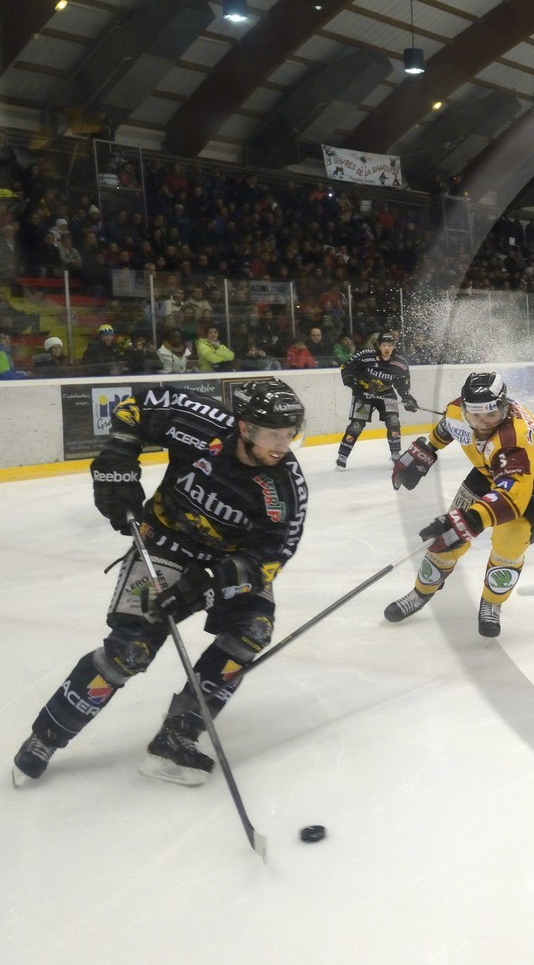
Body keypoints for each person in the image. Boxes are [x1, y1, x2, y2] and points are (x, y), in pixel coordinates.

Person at [11, 379, 309, 785]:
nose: (282, 444)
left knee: (252, 631)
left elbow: (271, 558)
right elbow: (137, 406)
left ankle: (179, 734)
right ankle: (48, 733)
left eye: (290, 434)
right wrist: (118, 455)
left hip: (224, 563)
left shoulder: (284, 488)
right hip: (163, 544)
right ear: (244, 427)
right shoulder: (198, 420)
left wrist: (209, 584)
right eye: (273, 434)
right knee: (129, 650)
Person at [386, 371, 534, 638]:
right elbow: (447, 426)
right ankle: (422, 591)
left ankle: (491, 602)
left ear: (505, 406)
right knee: (448, 535)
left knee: (511, 537)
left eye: (491, 415)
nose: (483, 422)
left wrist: (471, 522)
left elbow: (511, 499)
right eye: (474, 415)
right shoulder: (459, 411)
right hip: (491, 470)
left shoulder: (516, 440)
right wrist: (427, 449)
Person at [336, 331, 415, 468]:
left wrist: (407, 398)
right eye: (383, 345)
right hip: (363, 394)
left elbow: (402, 384)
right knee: (356, 426)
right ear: (378, 345)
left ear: (394, 346)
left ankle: (396, 454)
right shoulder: (365, 357)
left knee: (393, 421)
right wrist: (355, 384)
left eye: (389, 345)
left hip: (386, 393)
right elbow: (346, 368)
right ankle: (342, 456)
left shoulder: (400, 364)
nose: (386, 348)